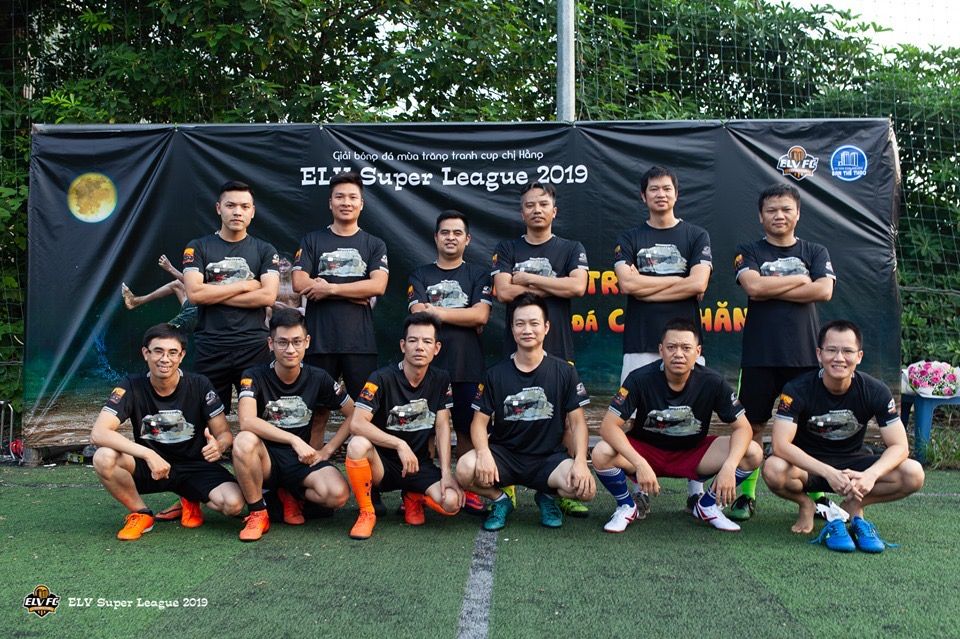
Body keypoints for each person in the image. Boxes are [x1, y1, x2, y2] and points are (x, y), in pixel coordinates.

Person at [762, 320, 925, 552]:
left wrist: (870, 475)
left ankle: (853, 504)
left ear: (859, 356)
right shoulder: (797, 389)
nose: (839, 358)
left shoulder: (875, 390)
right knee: (773, 468)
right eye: (832, 350)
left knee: (913, 473)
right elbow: (780, 445)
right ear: (819, 354)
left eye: (847, 351)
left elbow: (900, 446)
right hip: (810, 466)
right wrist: (828, 472)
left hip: (854, 464)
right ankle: (807, 505)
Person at [591, 318, 762, 533]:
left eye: (686, 348)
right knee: (601, 452)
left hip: (693, 453)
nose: (678, 354)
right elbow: (608, 426)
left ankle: (707, 505)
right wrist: (639, 462)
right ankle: (626, 505)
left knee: (753, 452)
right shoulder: (639, 379)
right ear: (661, 350)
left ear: (698, 352)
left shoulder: (713, 381)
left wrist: (729, 466)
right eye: (671, 347)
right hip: (646, 452)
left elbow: (743, 428)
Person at [729, 183, 836, 522]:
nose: (779, 215)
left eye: (786, 209)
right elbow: (753, 287)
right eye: (772, 210)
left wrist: (773, 287)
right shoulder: (749, 250)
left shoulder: (815, 251)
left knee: (807, 428)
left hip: (804, 357)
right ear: (761, 216)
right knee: (753, 426)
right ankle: (746, 495)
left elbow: (824, 290)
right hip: (759, 356)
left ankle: (817, 494)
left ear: (798, 213)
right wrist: (801, 281)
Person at [613, 166, 712, 508]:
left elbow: (699, 283)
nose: (661, 194)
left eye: (667, 188)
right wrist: (679, 281)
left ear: (676, 194)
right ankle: (638, 486)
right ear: (643, 196)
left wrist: (647, 285)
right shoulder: (630, 238)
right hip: (641, 339)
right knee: (633, 416)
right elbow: (627, 284)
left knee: (694, 411)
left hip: (686, 341)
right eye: (654, 189)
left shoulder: (696, 235)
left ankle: (696, 489)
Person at [455, 294, 596, 531]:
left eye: (534, 323)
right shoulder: (495, 374)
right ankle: (501, 500)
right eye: (520, 324)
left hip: (548, 459)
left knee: (585, 490)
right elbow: (478, 423)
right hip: (505, 457)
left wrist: (581, 461)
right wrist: (484, 453)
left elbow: (578, 423)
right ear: (512, 329)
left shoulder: (565, 372)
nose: (527, 330)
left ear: (546, 327)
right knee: (464, 469)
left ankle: (547, 496)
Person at [491, 182, 590, 517]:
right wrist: (554, 284)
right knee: (509, 413)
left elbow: (577, 286)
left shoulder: (571, 247)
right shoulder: (507, 248)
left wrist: (528, 280)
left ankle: (555, 489)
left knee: (565, 417)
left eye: (543, 204)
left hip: (558, 346)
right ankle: (505, 482)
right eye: (530, 205)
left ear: (554, 211)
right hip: (516, 349)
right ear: (522, 212)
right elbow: (504, 292)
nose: (536, 210)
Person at [90, 324, 243, 540]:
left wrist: (219, 446)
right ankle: (141, 513)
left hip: (194, 466)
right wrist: (148, 454)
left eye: (172, 352)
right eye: (158, 351)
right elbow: (99, 433)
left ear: (181, 356)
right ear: (146, 353)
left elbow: (224, 434)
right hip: (152, 467)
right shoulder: (131, 385)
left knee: (234, 505)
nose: (165, 359)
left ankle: (189, 496)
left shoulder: (200, 384)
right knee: (103, 457)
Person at [231, 308, 356, 541]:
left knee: (337, 495)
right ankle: (258, 512)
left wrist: (328, 450)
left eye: (297, 342)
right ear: (271, 344)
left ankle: (289, 495)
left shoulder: (319, 377)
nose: (290, 349)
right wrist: (293, 439)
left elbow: (355, 415)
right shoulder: (253, 375)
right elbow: (246, 420)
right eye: (283, 342)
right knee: (244, 440)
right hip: (266, 459)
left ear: (307, 342)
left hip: (302, 459)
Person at [343, 312, 462, 540]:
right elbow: (356, 423)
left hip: (419, 464)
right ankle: (366, 512)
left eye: (427, 341)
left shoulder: (441, 378)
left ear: (436, 348)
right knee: (357, 445)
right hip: (383, 464)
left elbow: (442, 426)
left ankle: (413, 496)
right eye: (413, 340)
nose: (419, 347)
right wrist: (399, 444)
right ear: (402, 345)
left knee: (451, 503)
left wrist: (446, 473)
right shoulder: (380, 378)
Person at [408, 210, 492, 514]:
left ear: (467, 239)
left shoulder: (479, 275)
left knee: (467, 430)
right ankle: (422, 489)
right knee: (426, 430)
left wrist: (437, 311)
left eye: (457, 233)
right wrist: (463, 315)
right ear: (435, 237)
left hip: (467, 366)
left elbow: (480, 315)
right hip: (427, 370)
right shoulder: (420, 274)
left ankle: (468, 488)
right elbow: (418, 314)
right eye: (445, 232)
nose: (451, 237)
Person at [182, 180, 280, 413]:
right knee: (207, 418)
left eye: (244, 207)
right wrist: (246, 285)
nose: (237, 212)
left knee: (261, 416)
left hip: (253, 347)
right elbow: (194, 294)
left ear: (252, 211)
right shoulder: (198, 247)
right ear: (218, 208)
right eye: (231, 205)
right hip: (210, 347)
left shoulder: (265, 250)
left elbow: (267, 296)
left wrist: (211, 293)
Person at [292, 170, 388, 400]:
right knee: (318, 411)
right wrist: (355, 292)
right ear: (330, 203)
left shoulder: (375, 244)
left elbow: (378, 286)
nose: (346, 202)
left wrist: (330, 289)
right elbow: (299, 282)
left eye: (352, 197)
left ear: (361, 204)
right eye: (339, 196)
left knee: (365, 408)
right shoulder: (312, 240)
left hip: (360, 344)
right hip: (319, 341)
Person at [121, 254, 198, 331]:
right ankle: (135, 301)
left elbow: (194, 286)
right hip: (194, 307)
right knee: (178, 284)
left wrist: (170, 268)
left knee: (164, 333)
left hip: (197, 314)